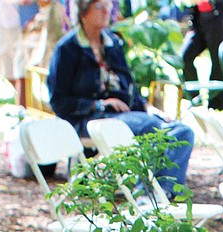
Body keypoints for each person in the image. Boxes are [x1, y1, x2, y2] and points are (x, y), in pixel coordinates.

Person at [47, 0, 195, 197]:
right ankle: (150, 195)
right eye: (99, 7)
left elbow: (128, 88)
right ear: (84, 12)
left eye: (108, 6)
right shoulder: (67, 49)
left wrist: (148, 106)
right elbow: (59, 102)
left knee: (183, 132)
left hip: (124, 115)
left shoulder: (112, 43)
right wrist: (98, 104)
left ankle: (161, 193)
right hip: (91, 118)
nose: (106, 12)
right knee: (152, 129)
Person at [181, 0, 223, 111]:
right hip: (198, 21)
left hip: (217, 19)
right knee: (185, 57)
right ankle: (194, 99)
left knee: (217, 62)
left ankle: (217, 104)